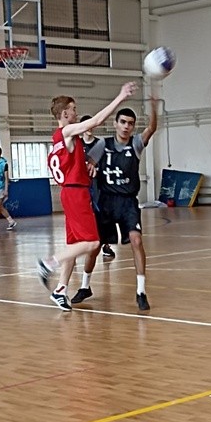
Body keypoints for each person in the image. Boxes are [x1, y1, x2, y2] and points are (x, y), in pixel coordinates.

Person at [37, 83, 137, 311]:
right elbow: (96, 121)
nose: (76, 112)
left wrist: (87, 164)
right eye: (73, 109)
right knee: (92, 243)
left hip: (69, 192)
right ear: (65, 113)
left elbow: (71, 161)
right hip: (76, 193)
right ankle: (48, 263)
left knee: (74, 245)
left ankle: (60, 290)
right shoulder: (67, 131)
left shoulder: (58, 139)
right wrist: (120, 96)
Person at [71, 98, 158, 311]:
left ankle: (141, 291)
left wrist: (154, 110)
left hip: (128, 202)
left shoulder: (135, 144)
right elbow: (89, 164)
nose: (126, 126)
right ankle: (85, 286)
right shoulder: (103, 144)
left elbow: (151, 129)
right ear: (115, 124)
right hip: (106, 202)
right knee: (94, 247)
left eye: (130, 123)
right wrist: (91, 169)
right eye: (123, 122)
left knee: (136, 241)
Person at [79, 115, 115, 260]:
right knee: (83, 215)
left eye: (91, 125)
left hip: (98, 184)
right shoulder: (77, 144)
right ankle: (79, 246)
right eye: (87, 125)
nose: (90, 128)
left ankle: (106, 244)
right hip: (82, 185)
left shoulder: (100, 144)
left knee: (102, 213)